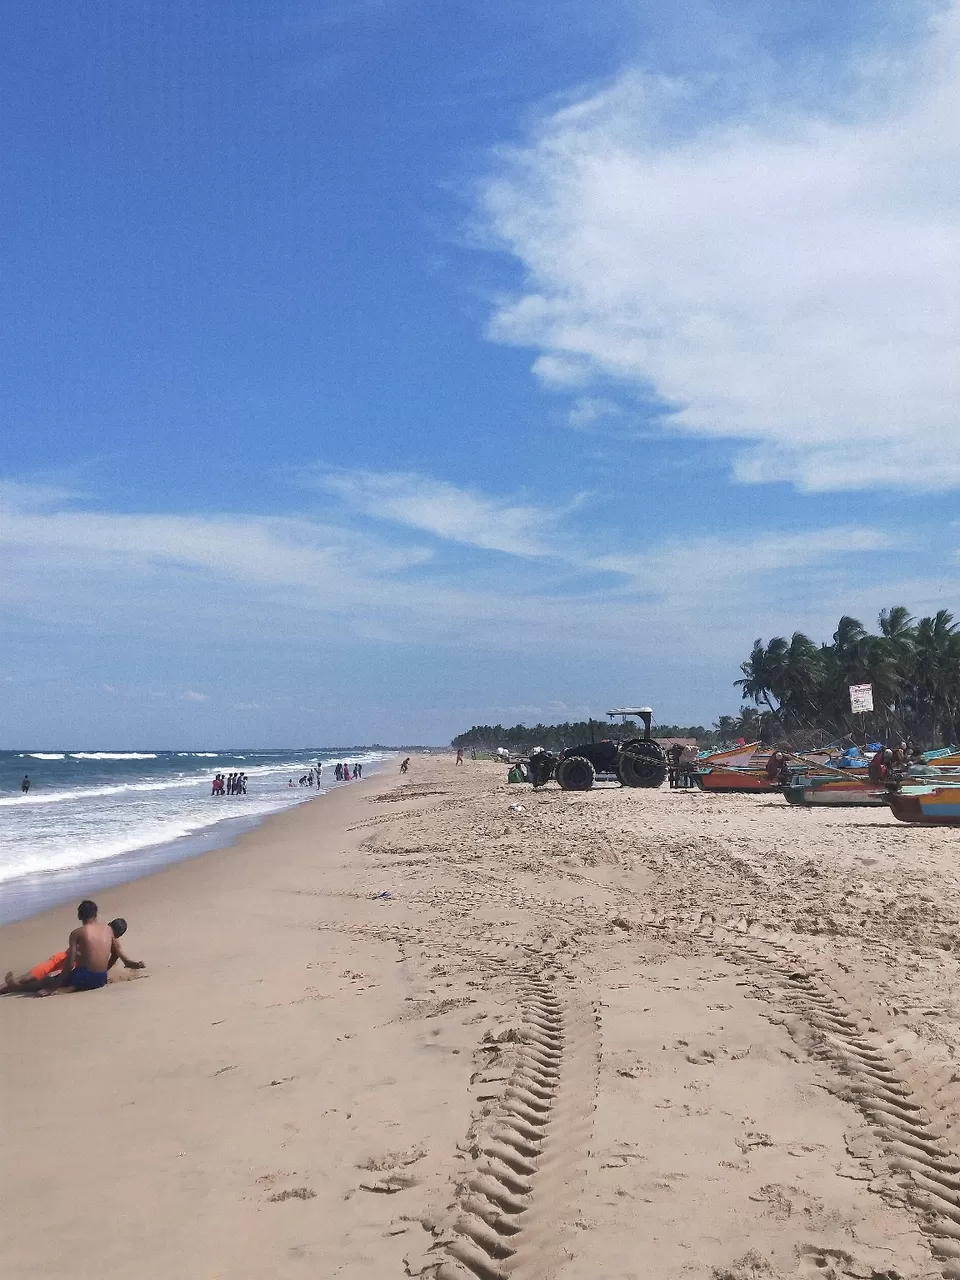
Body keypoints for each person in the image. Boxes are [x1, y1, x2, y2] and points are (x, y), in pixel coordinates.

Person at [5, 902, 145, 995]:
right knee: (62, 978)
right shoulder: (108, 930)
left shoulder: (77, 933)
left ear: (79, 915)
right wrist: (105, 969)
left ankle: (17, 987)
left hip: (83, 976)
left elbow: (69, 964)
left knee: (48, 980)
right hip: (101, 979)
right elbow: (116, 954)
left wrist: (53, 986)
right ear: (96, 915)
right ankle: (67, 987)